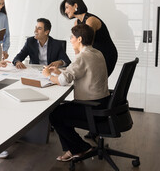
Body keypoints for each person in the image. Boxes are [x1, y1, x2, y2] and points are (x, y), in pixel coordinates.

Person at [42, 24, 110, 162]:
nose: (70, 39)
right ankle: (72, 149)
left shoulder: (82, 57)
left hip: (91, 107)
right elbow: (78, 73)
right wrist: (59, 72)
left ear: (79, 39)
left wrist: (48, 75)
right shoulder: (97, 53)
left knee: (55, 114)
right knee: (61, 111)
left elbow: (62, 81)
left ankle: (81, 148)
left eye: (72, 37)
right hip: (103, 103)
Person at [60, 0, 118, 76]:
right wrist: (76, 63)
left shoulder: (91, 20)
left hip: (105, 55)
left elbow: (86, 45)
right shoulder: (76, 22)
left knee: (93, 80)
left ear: (75, 5)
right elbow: (77, 45)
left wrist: (76, 65)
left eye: (66, 7)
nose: (65, 11)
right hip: (93, 55)